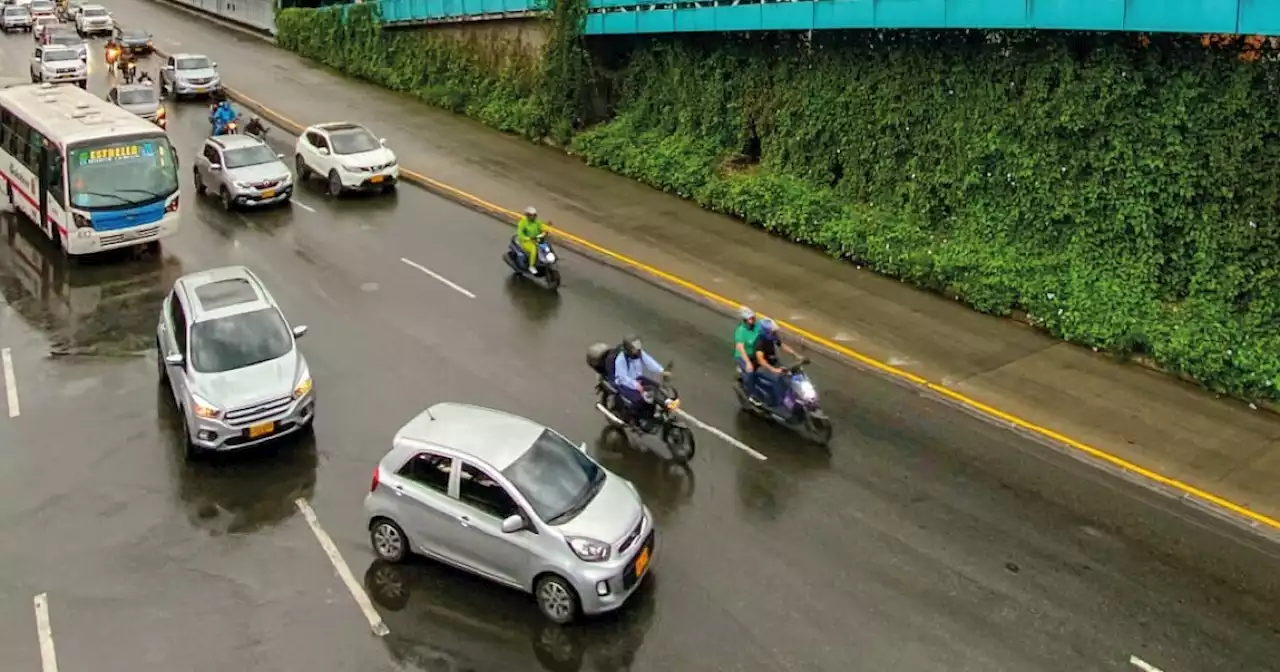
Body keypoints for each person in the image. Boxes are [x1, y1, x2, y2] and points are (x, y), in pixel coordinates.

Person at [612, 335, 665, 422]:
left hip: (637, 379)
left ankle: (652, 411)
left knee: (656, 388)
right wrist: (636, 385)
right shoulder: (621, 359)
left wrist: (661, 371)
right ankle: (632, 418)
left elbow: (649, 362)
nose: (638, 349)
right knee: (639, 399)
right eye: (635, 347)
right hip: (624, 384)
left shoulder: (638, 353)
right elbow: (622, 378)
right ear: (629, 349)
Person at [750, 318, 801, 407]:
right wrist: (773, 369)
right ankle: (774, 403)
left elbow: (782, 345)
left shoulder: (772, 338)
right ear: (767, 332)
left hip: (773, 362)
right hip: (762, 368)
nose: (775, 334)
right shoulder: (760, 343)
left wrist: (796, 355)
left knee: (790, 377)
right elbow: (761, 360)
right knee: (777, 382)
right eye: (773, 332)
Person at [733, 306, 759, 388]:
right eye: (749, 318)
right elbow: (741, 349)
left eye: (752, 318)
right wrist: (748, 363)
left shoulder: (757, 326)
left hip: (754, 353)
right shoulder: (740, 331)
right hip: (743, 356)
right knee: (750, 372)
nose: (752, 320)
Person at [515, 206, 544, 274]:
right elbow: (520, 234)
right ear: (528, 215)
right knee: (533, 249)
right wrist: (528, 238)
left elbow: (542, 228)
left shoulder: (537, 222)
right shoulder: (523, 223)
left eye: (535, 215)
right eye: (532, 215)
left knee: (545, 246)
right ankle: (531, 266)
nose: (534, 217)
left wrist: (545, 232)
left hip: (536, 239)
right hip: (526, 241)